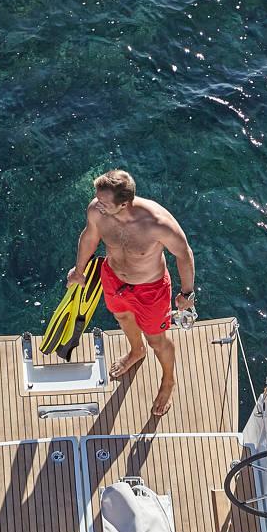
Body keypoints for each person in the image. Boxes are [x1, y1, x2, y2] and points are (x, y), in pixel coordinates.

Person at [66, 169, 197, 419]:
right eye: (97, 198)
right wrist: (79, 270)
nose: (97, 205)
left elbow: (184, 254)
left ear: (124, 203)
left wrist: (186, 293)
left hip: (151, 289)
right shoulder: (98, 210)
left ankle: (168, 381)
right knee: (123, 318)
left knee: (157, 339)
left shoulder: (158, 224)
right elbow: (90, 237)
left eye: (104, 202)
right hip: (114, 278)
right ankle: (136, 351)